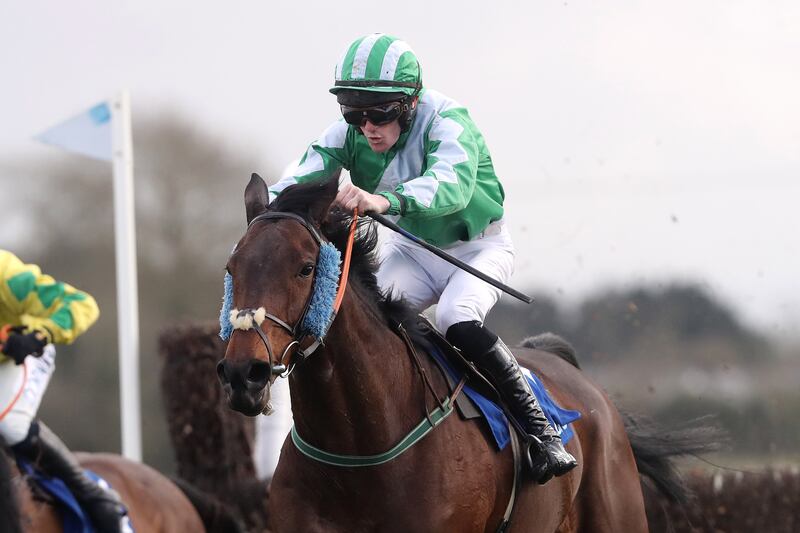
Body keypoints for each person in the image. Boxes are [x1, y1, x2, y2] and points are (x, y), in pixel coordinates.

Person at [268, 33, 577, 484]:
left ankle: (539, 428)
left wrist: (383, 201)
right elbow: (298, 175)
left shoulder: (450, 120)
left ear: (411, 102)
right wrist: (267, 215)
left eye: (381, 113)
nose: (368, 126)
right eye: (354, 113)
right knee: (356, 321)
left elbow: (450, 186)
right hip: (414, 252)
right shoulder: (352, 133)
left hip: (478, 248)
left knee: (455, 317)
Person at [0, 249, 125, 532]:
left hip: (24, 354)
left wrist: (38, 334)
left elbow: (80, 303)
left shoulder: (7, 275)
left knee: (9, 423)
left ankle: (91, 494)